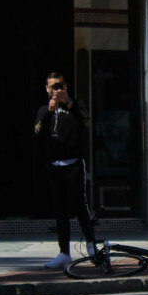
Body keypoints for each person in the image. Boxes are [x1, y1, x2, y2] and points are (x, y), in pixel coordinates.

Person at [34, 72, 95, 269]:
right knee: (60, 211)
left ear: (66, 87)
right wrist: (50, 112)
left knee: (80, 205)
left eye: (59, 86)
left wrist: (68, 103)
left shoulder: (77, 105)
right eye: (52, 87)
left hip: (74, 163)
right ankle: (64, 252)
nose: (56, 91)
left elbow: (86, 123)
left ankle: (92, 245)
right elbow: (38, 133)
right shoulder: (44, 110)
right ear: (46, 89)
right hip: (54, 165)